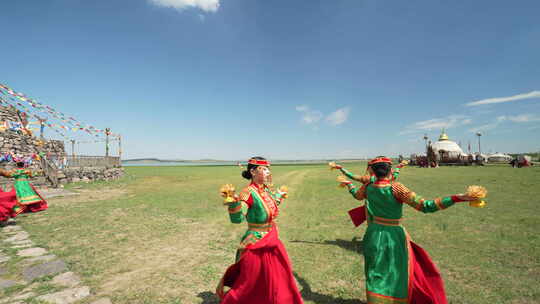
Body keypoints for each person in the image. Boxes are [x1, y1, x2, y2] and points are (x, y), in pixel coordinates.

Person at [337, 156, 481, 304]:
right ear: (390, 170)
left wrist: (349, 185)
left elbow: (357, 196)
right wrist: (457, 198)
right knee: (397, 273)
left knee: (375, 272)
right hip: (394, 236)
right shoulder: (396, 188)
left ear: (372, 171)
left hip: (372, 234)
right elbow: (426, 206)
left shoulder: (368, 187)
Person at [216, 157, 303, 304]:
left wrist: (279, 194)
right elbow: (238, 219)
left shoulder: (266, 190)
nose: (268, 172)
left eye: (268, 169)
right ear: (253, 171)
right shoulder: (248, 193)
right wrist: (233, 204)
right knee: (250, 282)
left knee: (278, 278)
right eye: (264, 169)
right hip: (255, 242)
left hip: (271, 239)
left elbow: (272, 203)